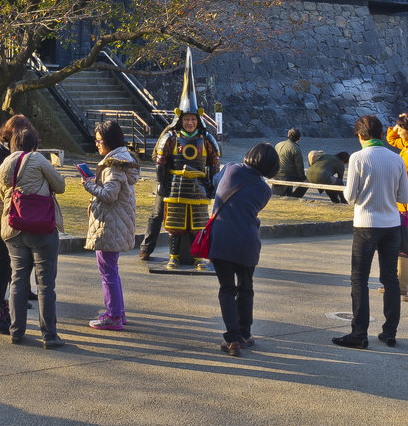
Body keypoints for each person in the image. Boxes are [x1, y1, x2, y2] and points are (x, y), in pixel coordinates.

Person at [332, 114, 408, 350]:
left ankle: (359, 333)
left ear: (360, 136)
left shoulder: (358, 157)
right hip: (391, 225)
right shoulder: (397, 159)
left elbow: (350, 197)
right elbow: (404, 197)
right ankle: (389, 332)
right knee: (390, 280)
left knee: (359, 279)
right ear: (379, 133)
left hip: (365, 224)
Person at [138, 50, 220, 268]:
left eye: (193, 119)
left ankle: (197, 256)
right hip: (173, 184)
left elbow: (213, 162)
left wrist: (212, 184)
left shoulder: (206, 138)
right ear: (180, 118)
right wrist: (161, 183)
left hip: (198, 186)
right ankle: (150, 249)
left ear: (197, 119)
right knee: (167, 219)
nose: (190, 123)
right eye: (187, 119)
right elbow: (160, 161)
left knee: (198, 223)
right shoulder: (170, 136)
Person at [0, 119, 66, 349]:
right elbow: (60, 185)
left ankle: (16, 331)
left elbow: (3, 192)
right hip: (41, 228)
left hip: (13, 229)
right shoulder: (37, 159)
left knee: (17, 280)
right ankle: (50, 335)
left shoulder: (4, 166)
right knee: (45, 284)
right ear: (34, 145)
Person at [209, 142, 278, 356]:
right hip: (247, 243)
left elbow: (214, 183)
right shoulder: (265, 190)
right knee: (246, 288)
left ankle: (232, 339)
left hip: (220, 239)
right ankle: (245, 333)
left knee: (227, 289)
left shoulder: (229, 168)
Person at [82, 119, 140, 332]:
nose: (96, 144)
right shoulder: (123, 160)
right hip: (116, 222)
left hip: (110, 224)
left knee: (107, 270)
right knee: (111, 269)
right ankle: (117, 311)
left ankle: (113, 315)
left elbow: (109, 195)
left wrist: (89, 185)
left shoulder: (113, 165)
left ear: (109, 141)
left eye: (99, 141)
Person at [0, 114, 34, 335]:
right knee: (1, 265)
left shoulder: (11, 152)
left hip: (5, 214)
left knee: (8, 264)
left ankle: (1, 305)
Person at [385, 113, 408, 300]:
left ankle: (401, 285)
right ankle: (399, 284)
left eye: (401, 128)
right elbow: (391, 138)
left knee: (403, 246)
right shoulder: (405, 145)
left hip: (406, 206)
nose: (397, 131)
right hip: (402, 204)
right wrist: (397, 123)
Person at [273, 128, 307, 197]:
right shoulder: (295, 149)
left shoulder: (278, 145)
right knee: (308, 180)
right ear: (299, 138)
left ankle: (289, 193)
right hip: (287, 176)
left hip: (275, 174)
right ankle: (294, 197)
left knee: (290, 171)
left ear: (288, 135)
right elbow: (299, 167)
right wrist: (303, 179)